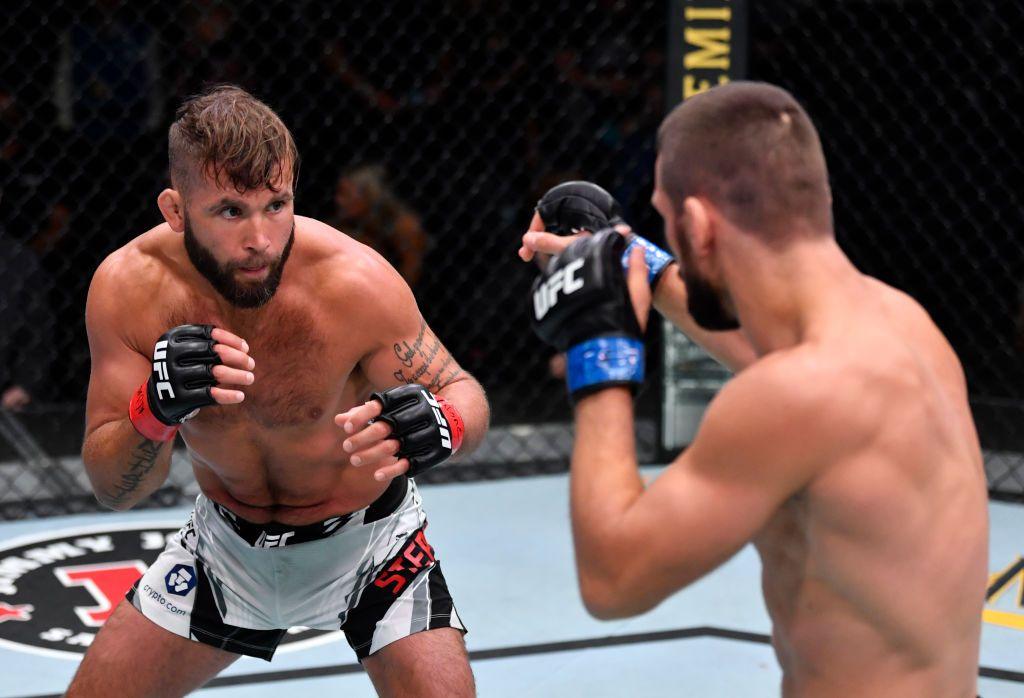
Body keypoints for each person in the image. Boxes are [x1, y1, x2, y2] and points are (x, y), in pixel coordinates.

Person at [522, 81, 988, 696]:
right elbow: (761, 342)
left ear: (697, 222)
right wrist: (636, 261)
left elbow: (613, 579)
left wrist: (597, 344)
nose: (665, 229)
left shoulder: (792, 398)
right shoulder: (900, 322)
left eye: (666, 217)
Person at [69, 85, 488, 698]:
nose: (261, 239)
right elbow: (114, 487)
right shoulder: (129, 290)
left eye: (277, 204)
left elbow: (463, 393)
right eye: (231, 211)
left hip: (372, 549)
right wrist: (153, 412)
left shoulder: (352, 282)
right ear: (176, 210)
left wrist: (442, 422)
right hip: (222, 553)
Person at [332, 165, 429, 287]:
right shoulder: (343, 226)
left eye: (345, 193)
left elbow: (412, 273)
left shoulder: (404, 226)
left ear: (367, 195)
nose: (338, 200)